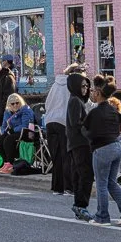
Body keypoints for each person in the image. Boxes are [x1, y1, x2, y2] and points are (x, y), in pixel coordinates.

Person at [84, 74, 121, 225]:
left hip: (102, 149)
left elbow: (86, 130)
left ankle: (102, 216)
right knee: (111, 183)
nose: (92, 93)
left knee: (101, 184)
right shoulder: (113, 110)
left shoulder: (95, 112)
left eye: (94, 91)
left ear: (99, 93)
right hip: (116, 147)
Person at [46, 64, 84, 195]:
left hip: (50, 121)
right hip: (64, 122)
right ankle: (69, 187)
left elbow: (47, 103)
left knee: (56, 157)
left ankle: (57, 187)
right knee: (67, 156)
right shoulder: (72, 86)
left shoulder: (55, 84)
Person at [66, 72, 94, 221]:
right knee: (86, 174)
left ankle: (79, 204)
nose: (85, 88)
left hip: (77, 143)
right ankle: (81, 204)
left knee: (79, 174)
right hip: (80, 143)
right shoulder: (75, 101)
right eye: (82, 86)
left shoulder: (77, 101)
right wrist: (91, 132)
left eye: (87, 86)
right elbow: (76, 123)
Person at [0, 94, 35, 172]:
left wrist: (13, 130)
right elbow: (4, 125)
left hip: (26, 132)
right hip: (13, 132)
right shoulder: (7, 112)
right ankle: (6, 162)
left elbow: (25, 125)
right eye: (12, 103)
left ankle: (11, 162)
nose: (15, 105)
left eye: (17, 103)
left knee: (8, 140)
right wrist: (4, 132)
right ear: (9, 105)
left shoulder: (26, 110)